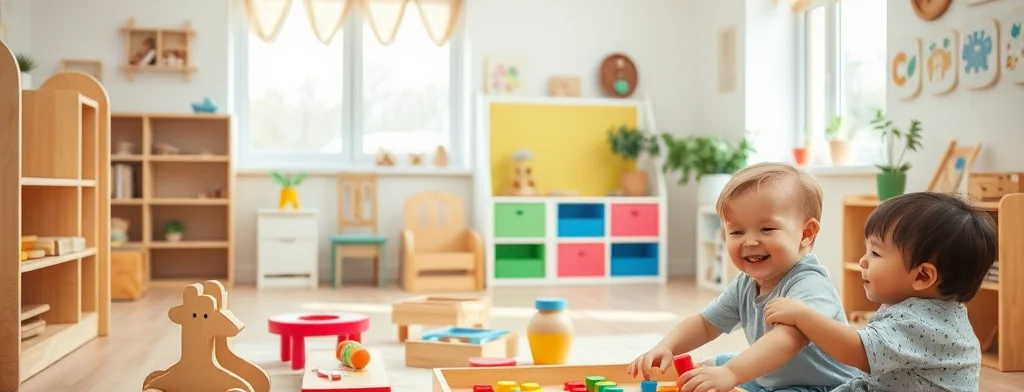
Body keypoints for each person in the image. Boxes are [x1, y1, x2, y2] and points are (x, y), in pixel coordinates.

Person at [628, 162, 859, 392]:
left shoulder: (810, 283)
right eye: (737, 231)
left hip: (823, 386)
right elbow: (705, 324)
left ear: (806, 233)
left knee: (728, 370)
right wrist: (666, 346)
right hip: (774, 377)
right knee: (718, 369)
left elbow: (787, 340)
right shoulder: (745, 283)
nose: (749, 241)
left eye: (767, 229)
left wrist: (731, 373)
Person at [764, 192, 997, 391]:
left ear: (923, 276)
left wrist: (802, 315)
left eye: (875, 253)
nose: (863, 261)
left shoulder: (923, 324)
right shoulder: (932, 311)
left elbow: (857, 351)